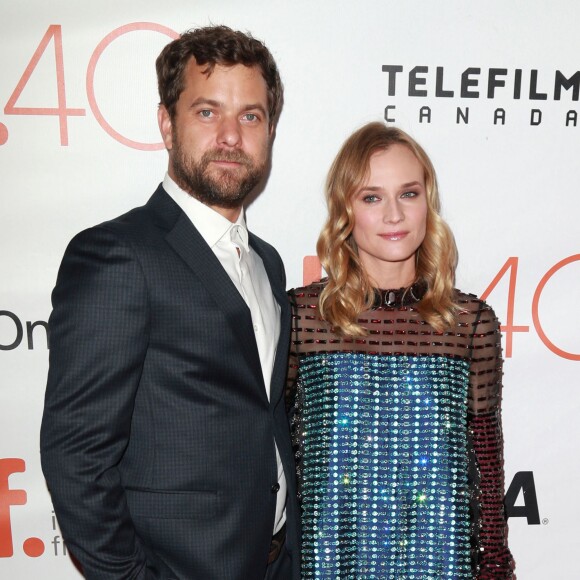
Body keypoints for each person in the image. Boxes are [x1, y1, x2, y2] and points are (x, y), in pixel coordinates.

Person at [40, 25, 299, 580]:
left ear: (270, 130)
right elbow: (76, 454)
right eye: (208, 112)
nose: (231, 135)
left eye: (250, 116)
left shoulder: (268, 263)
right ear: (166, 122)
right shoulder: (117, 255)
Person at [287, 122, 515, 578]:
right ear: (345, 209)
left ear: (427, 202)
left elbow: (486, 465)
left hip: (441, 564)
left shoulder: (469, 323)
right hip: (326, 564)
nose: (394, 215)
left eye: (408, 194)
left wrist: (494, 564)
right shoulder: (301, 317)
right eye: (372, 197)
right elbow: (270, 454)